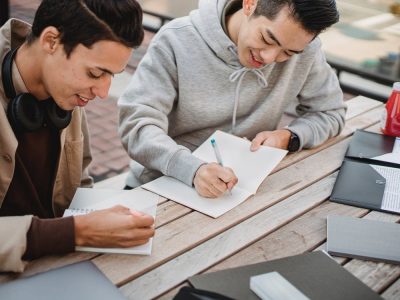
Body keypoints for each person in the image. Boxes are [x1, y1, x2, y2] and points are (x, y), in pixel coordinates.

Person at [118, 0, 346, 198]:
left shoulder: (305, 50)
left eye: (288, 53)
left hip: (241, 190)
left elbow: (331, 112)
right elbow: (137, 125)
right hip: (161, 185)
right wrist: (192, 169)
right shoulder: (176, 40)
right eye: (267, 39)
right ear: (249, 4)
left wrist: (290, 137)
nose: (270, 57)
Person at [0, 0, 155, 273]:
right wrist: (75, 232)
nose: (104, 92)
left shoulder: (66, 95)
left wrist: (102, 220)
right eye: (95, 72)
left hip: (60, 267)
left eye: (112, 76)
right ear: (51, 41)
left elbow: (79, 186)